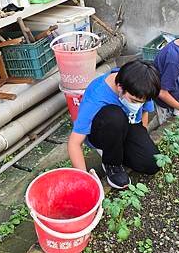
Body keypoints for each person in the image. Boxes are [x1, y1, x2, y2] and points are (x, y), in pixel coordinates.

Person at [68, 60, 161, 189]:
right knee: (114, 116)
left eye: (141, 101)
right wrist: (84, 180)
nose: (138, 105)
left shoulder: (142, 86)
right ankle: (111, 163)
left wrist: (141, 138)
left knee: (152, 164)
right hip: (104, 129)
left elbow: (144, 111)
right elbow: (74, 143)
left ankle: (117, 149)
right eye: (134, 101)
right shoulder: (97, 97)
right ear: (120, 87)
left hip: (128, 124)